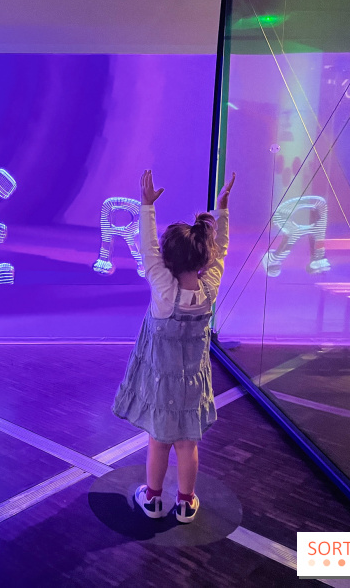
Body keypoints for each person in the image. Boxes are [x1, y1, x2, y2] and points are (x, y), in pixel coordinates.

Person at [113, 169, 234, 523]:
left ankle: (152, 498)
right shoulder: (209, 286)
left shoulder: (164, 291)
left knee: (158, 440)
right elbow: (222, 249)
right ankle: (185, 501)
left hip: (161, 383)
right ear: (204, 258)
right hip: (193, 384)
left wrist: (146, 207)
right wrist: (222, 210)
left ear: (169, 258)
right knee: (187, 444)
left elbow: (147, 248)